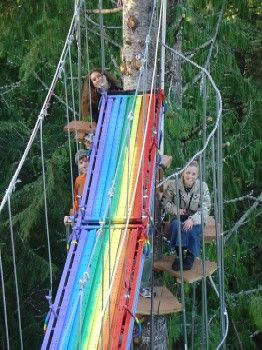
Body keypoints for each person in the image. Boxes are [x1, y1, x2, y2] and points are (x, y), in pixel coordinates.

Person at [161, 161, 211, 271]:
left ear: (197, 175)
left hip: (196, 217)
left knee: (192, 229)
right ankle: (179, 254)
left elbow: (206, 207)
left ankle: (190, 255)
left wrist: (193, 220)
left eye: (194, 174)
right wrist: (176, 210)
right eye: (188, 173)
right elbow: (165, 202)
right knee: (176, 225)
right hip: (180, 215)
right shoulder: (174, 185)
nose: (190, 176)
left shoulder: (202, 187)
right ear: (183, 172)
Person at [64, 149, 89, 224]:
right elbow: (77, 202)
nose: (84, 165)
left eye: (86, 161)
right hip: (86, 215)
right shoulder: (79, 180)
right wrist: (71, 216)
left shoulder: (100, 175)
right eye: (80, 163)